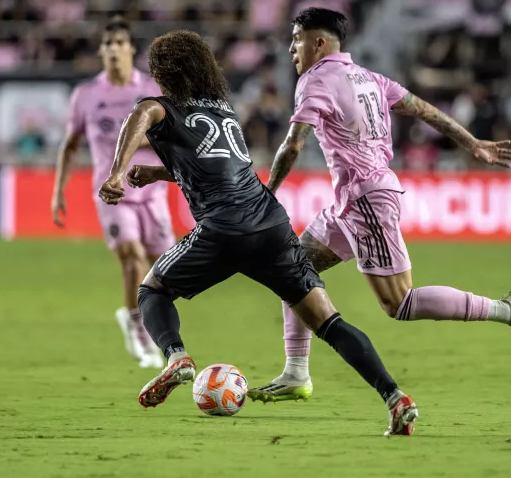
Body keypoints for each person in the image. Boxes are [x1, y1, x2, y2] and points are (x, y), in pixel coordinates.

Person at [98, 30, 418, 437]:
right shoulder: (222, 110)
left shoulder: (159, 107)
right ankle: (395, 397)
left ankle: (176, 356)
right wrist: (160, 172)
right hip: (271, 225)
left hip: (223, 230)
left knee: (152, 289)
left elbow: (140, 116)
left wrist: (115, 174)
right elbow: (221, 169)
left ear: (164, 72)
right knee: (329, 322)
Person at [247, 8, 511, 404]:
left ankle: (506, 310)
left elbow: (294, 143)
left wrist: (268, 194)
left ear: (318, 42)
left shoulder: (315, 79)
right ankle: (296, 373)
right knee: (291, 270)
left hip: (366, 200)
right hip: (351, 201)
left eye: (297, 39)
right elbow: (424, 109)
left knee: (400, 303)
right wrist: (471, 142)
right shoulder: (369, 78)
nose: (291, 49)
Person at [51, 17, 174, 369]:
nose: (114, 49)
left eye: (120, 43)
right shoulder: (87, 95)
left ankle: (149, 322)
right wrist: (57, 192)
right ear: (101, 51)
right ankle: (137, 327)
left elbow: (172, 137)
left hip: (151, 192)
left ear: (131, 49)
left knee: (162, 267)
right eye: (108, 44)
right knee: (131, 256)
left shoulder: (153, 89)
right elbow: (71, 145)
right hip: (111, 191)